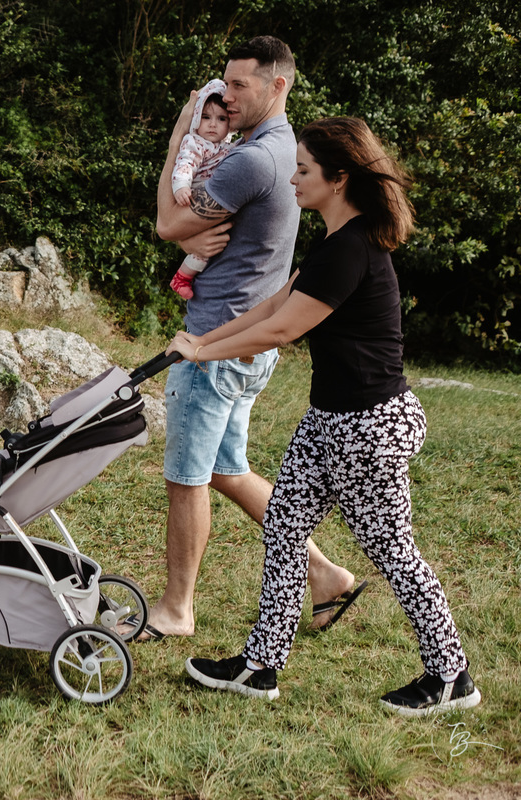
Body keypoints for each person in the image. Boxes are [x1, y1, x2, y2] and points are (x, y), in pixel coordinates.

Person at [172, 116, 481, 716]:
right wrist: (202, 338)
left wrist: (203, 352)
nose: (293, 179)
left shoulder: (351, 248)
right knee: (285, 528)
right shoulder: (336, 244)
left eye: (304, 170)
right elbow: (275, 304)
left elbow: (283, 330)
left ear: (338, 180)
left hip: (368, 426)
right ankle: (261, 666)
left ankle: (452, 676)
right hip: (330, 419)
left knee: (391, 549)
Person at [139, 35, 360, 642]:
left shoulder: (252, 159)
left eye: (239, 85)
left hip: (217, 342)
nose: (226, 96)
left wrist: (176, 141)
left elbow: (167, 223)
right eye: (224, 84)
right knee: (225, 468)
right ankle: (324, 574)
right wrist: (191, 241)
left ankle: (176, 609)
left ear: (277, 85)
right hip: (250, 342)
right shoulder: (280, 147)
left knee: (187, 475)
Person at [169, 79, 235, 300]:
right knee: (203, 247)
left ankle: (185, 276)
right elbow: (185, 163)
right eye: (206, 117)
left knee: (211, 244)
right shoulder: (194, 142)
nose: (212, 124)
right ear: (197, 118)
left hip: (212, 195)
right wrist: (181, 186)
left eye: (221, 119)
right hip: (193, 191)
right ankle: (181, 278)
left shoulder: (227, 147)